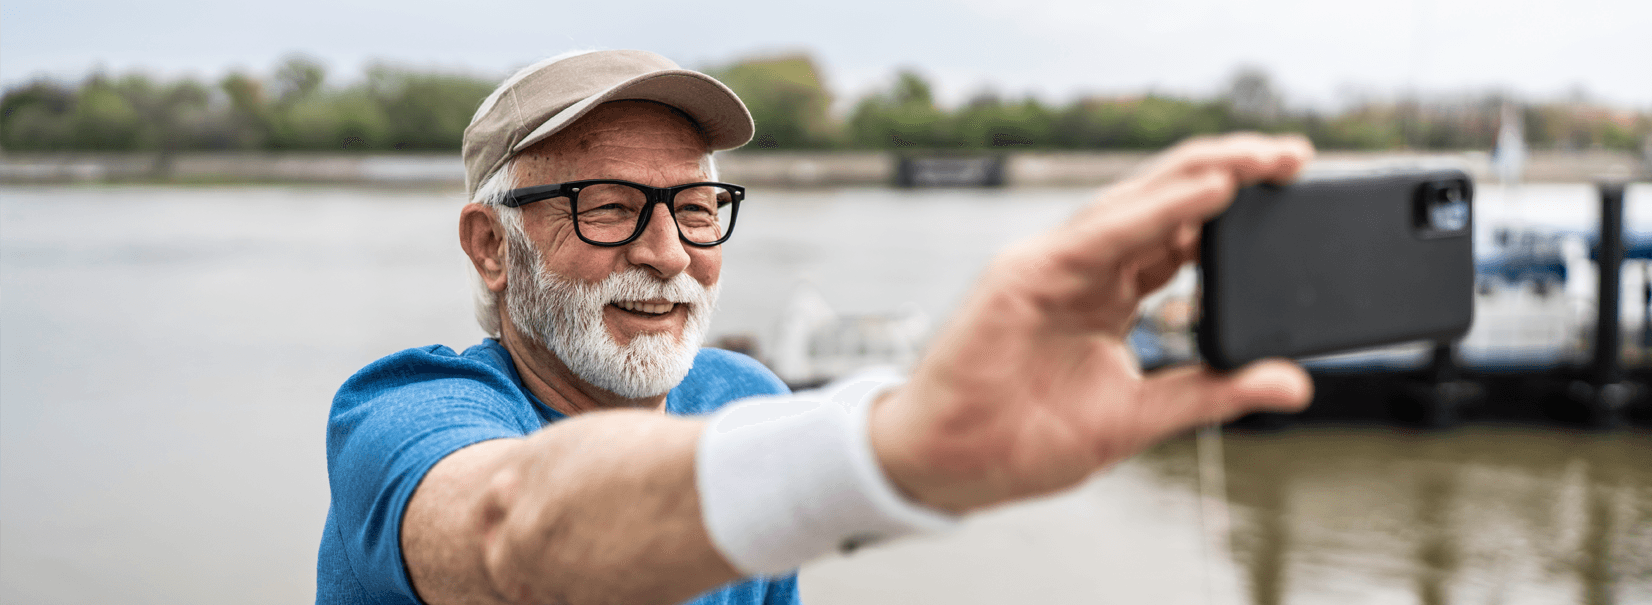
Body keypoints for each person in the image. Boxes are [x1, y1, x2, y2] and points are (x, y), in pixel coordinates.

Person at [318, 49, 1315, 605]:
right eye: (608, 204)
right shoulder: (404, 413)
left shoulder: (746, 401)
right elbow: (509, 533)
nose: (667, 251)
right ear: (490, 247)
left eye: (695, 207)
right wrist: (888, 450)